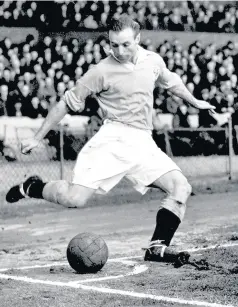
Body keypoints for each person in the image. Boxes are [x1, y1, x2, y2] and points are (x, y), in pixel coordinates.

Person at [6, 15, 215, 265]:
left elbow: (171, 82)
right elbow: (65, 103)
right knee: (74, 199)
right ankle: (33, 187)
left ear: (138, 39)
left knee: (181, 188)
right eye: (114, 45)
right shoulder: (101, 71)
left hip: (142, 142)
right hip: (112, 140)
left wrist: (195, 102)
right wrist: (37, 137)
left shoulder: (153, 61)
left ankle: (157, 246)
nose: (119, 50)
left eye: (126, 44)